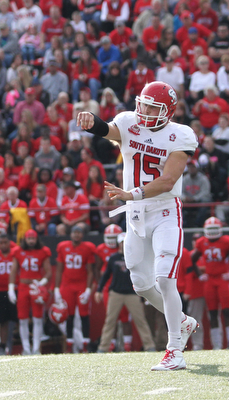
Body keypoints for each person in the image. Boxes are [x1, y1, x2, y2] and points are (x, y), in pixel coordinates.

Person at [77, 80, 198, 370]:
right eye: (142, 103)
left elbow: (168, 181)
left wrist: (131, 194)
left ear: (167, 111)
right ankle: (182, 322)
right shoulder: (130, 122)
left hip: (164, 211)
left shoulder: (180, 135)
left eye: (151, 107)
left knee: (165, 279)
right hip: (134, 214)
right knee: (142, 285)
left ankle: (174, 351)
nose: (143, 110)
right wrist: (93, 123)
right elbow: (109, 131)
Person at [96, 232, 156, 352]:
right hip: (116, 293)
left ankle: (149, 346)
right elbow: (106, 275)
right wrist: (99, 290)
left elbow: (143, 275)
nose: (125, 245)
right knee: (110, 321)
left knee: (140, 320)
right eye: (123, 243)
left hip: (132, 294)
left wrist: (145, 292)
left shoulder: (136, 257)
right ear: (119, 244)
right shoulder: (113, 258)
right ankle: (103, 347)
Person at [191, 217, 229, 350]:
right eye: (210, 229)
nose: (212, 232)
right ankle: (217, 345)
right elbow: (192, 260)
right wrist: (200, 275)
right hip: (210, 281)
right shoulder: (202, 242)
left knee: (227, 311)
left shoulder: (226, 241)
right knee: (213, 313)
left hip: (222, 280)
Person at [8, 230, 51, 355]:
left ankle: (36, 348)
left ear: (37, 239)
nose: (31, 241)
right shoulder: (18, 251)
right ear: (25, 240)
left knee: (38, 318)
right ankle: (26, 348)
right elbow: (13, 271)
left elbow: (48, 272)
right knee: (23, 319)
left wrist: (41, 283)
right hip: (23, 286)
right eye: (29, 239)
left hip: (36, 286)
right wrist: (11, 288)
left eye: (33, 239)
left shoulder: (43, 251)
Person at [54, 226, 95, 353]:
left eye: (79, 233)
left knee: (84, 315)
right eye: (74, 233)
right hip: (67, 285)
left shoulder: (87, 248)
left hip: (81, 285)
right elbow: (59, 269)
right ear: (70, 234)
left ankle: (85, 344)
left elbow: (90, 272)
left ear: (82, 235)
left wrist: (88, 290)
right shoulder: (63, 247)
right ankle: (70, 344)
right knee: (69, 315)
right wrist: (56, 288)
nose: (76, 235)